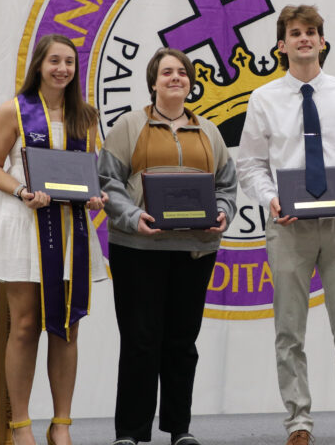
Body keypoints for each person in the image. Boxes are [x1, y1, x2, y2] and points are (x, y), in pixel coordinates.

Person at [236, 5, 335, 445]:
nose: (304, 39)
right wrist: (270, 198)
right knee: (288, 329)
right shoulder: (263, 99)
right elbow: (250, 165)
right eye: (295, 33)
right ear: (281, 45)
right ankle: (298, 422)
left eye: (312, 32)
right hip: (288, 227)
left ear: (323, 41)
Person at [98, 47, 237, 445]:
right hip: (138, 249)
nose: (175, 78)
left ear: (191, 82)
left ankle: (180, 429)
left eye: (182, 73)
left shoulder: (210, 132)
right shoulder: (128, 126)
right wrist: (131, 217)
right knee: (140, 340)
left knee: (181, 342)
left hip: (194, 250)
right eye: (167, 73)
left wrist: (224, 211)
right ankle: (130, 431)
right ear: (153, 82)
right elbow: (108, 183)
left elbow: (226, 185)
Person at [0, 33, 109, 445]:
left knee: (67, 326)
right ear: (39, 64)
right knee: (23, 326)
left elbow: (91, 173)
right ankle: (20, 425)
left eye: (69, 63)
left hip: (71, 230)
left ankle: (62, 424)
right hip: (26, 225)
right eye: (54, 61)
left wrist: (96, 196)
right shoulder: (13, 112)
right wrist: (21, 190)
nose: (62, 69)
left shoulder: (85, 118)